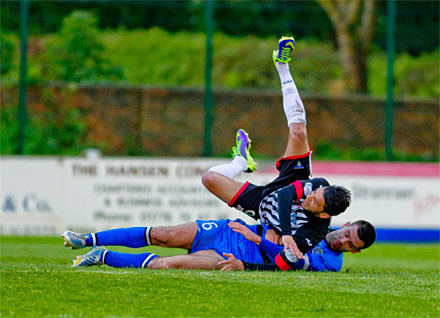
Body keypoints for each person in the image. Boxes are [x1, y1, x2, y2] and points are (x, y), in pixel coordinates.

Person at [201, 36, 351, 259]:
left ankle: (240, 162)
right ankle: (283, 66)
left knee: (209, 178)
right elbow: (284, 195)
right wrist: (286, 233)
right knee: (298, 130)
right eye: (315, 194)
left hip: (262, 204)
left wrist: (274, 231)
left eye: (315, 202)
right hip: (290, 181)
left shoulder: (316, 231)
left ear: (324, 214)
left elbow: (284, 257)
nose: (309, 198)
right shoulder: (317, 185)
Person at [61, 218, 375, 272]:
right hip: (232, 231)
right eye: (347, 233)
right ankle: (86, 240)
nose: (342, 240)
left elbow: (284, 264)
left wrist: (250, 252)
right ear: (346, 225)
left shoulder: (330, 263)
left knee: (166, 264)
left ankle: (102, 255)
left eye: (349, 244)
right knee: (164, 234)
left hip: (234, 254)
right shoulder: (317, 222)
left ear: (354, 251)